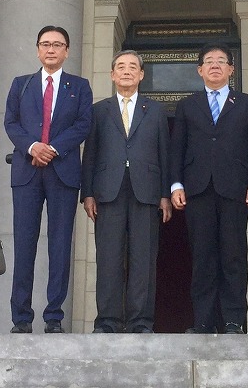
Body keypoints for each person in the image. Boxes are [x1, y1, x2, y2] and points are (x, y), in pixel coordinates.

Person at [170, 43, 248, 334]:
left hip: (235, 189)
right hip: (197, 189)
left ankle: (233, 321)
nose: (215, 65)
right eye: (209, 61)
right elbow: (177, 149)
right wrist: (176, 184)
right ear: (200, 70)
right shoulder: (187, 105)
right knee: (203, 257)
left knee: (233, 256)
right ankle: (203, 321)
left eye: (221, 61)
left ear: (231, 70)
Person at [4, 25, 92, 334]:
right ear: (38, 50)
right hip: (27, 172)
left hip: (62, 171)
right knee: (24, 243)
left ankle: (54, 316)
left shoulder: (79, 86)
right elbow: (11, 123)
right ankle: (21, 317)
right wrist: (33, 147)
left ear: (67, 51)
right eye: (45, 44)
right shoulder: (21, 84)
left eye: (57, 44)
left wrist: (52, 148)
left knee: (60, 244)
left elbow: (83, 125)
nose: (51, 49)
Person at [81, 50, 171, 334]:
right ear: (112, 75)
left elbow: (165, 154)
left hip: (147, 191)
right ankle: (107, 321)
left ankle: (140, 321)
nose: (127, 71)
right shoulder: (99, 110)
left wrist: (165, 194)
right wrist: (87, 193)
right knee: (108, 258)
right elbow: (90, 154)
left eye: (133, 67)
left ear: (141, 75)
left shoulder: (155, 110)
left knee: (143, 259)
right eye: (121, 67)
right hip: (108, 191)